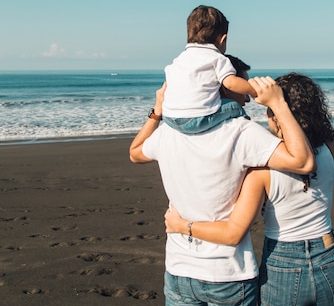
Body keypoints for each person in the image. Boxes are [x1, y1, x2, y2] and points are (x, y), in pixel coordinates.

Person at [129, 58, 315, 306]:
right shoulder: (242, 132)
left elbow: (135, 152)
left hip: (179, 269)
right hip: (228, 274)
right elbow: (302, 161)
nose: (248, 96)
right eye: (243, 86)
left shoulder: (168, 132)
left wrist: (158, 111)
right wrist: (278, 104)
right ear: (225, 86)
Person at [165, 73, 334, 306]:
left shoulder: (262, 171)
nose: (266, 115)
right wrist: (278, 105)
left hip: (284, 265)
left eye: (270, 110)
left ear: (279, 113)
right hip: (330, 257)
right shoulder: (329, 147)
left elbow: (233, 233)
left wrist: (182, 226)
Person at [162, 5, 257, 134]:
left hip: (168, 117)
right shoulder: (217, 58)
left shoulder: (179, 59)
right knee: (235, 107)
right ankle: (244, 133)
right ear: (223, 39)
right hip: (197, 118)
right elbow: (230, 83)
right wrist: (255, 90)